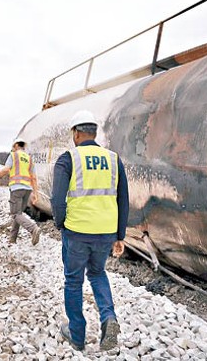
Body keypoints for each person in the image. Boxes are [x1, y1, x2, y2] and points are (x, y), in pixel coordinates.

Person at [51, 110, 129, 352]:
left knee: (73, 281)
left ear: (75, 133)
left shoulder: (68, 159)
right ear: (95, 133)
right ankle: (109, 318)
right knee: (97, 274)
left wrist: (60, 222)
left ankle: (77, 334)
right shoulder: (114, 159)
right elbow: (123, 199)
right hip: (105, 231)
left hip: (77, 231)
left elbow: (57, 199)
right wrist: (120, 235)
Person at [0, 138, 41, 245]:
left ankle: (33, 228)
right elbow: (34, 177)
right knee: (18, 214)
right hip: (27, 190)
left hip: (17, 188)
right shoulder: (29, 158)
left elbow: (6, 169)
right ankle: (12, 240)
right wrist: (35, 194)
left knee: (15, 214)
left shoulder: (13, 155)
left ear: (15, 146)